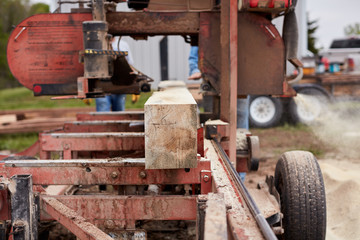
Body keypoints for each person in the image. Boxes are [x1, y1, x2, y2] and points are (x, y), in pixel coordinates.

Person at [95, 37, 134, 112]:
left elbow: (130, 64)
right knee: (102, 111)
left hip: (120, 84)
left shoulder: (123, 45)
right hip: (101, 85)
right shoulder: (97, 45)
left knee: (119, 111)